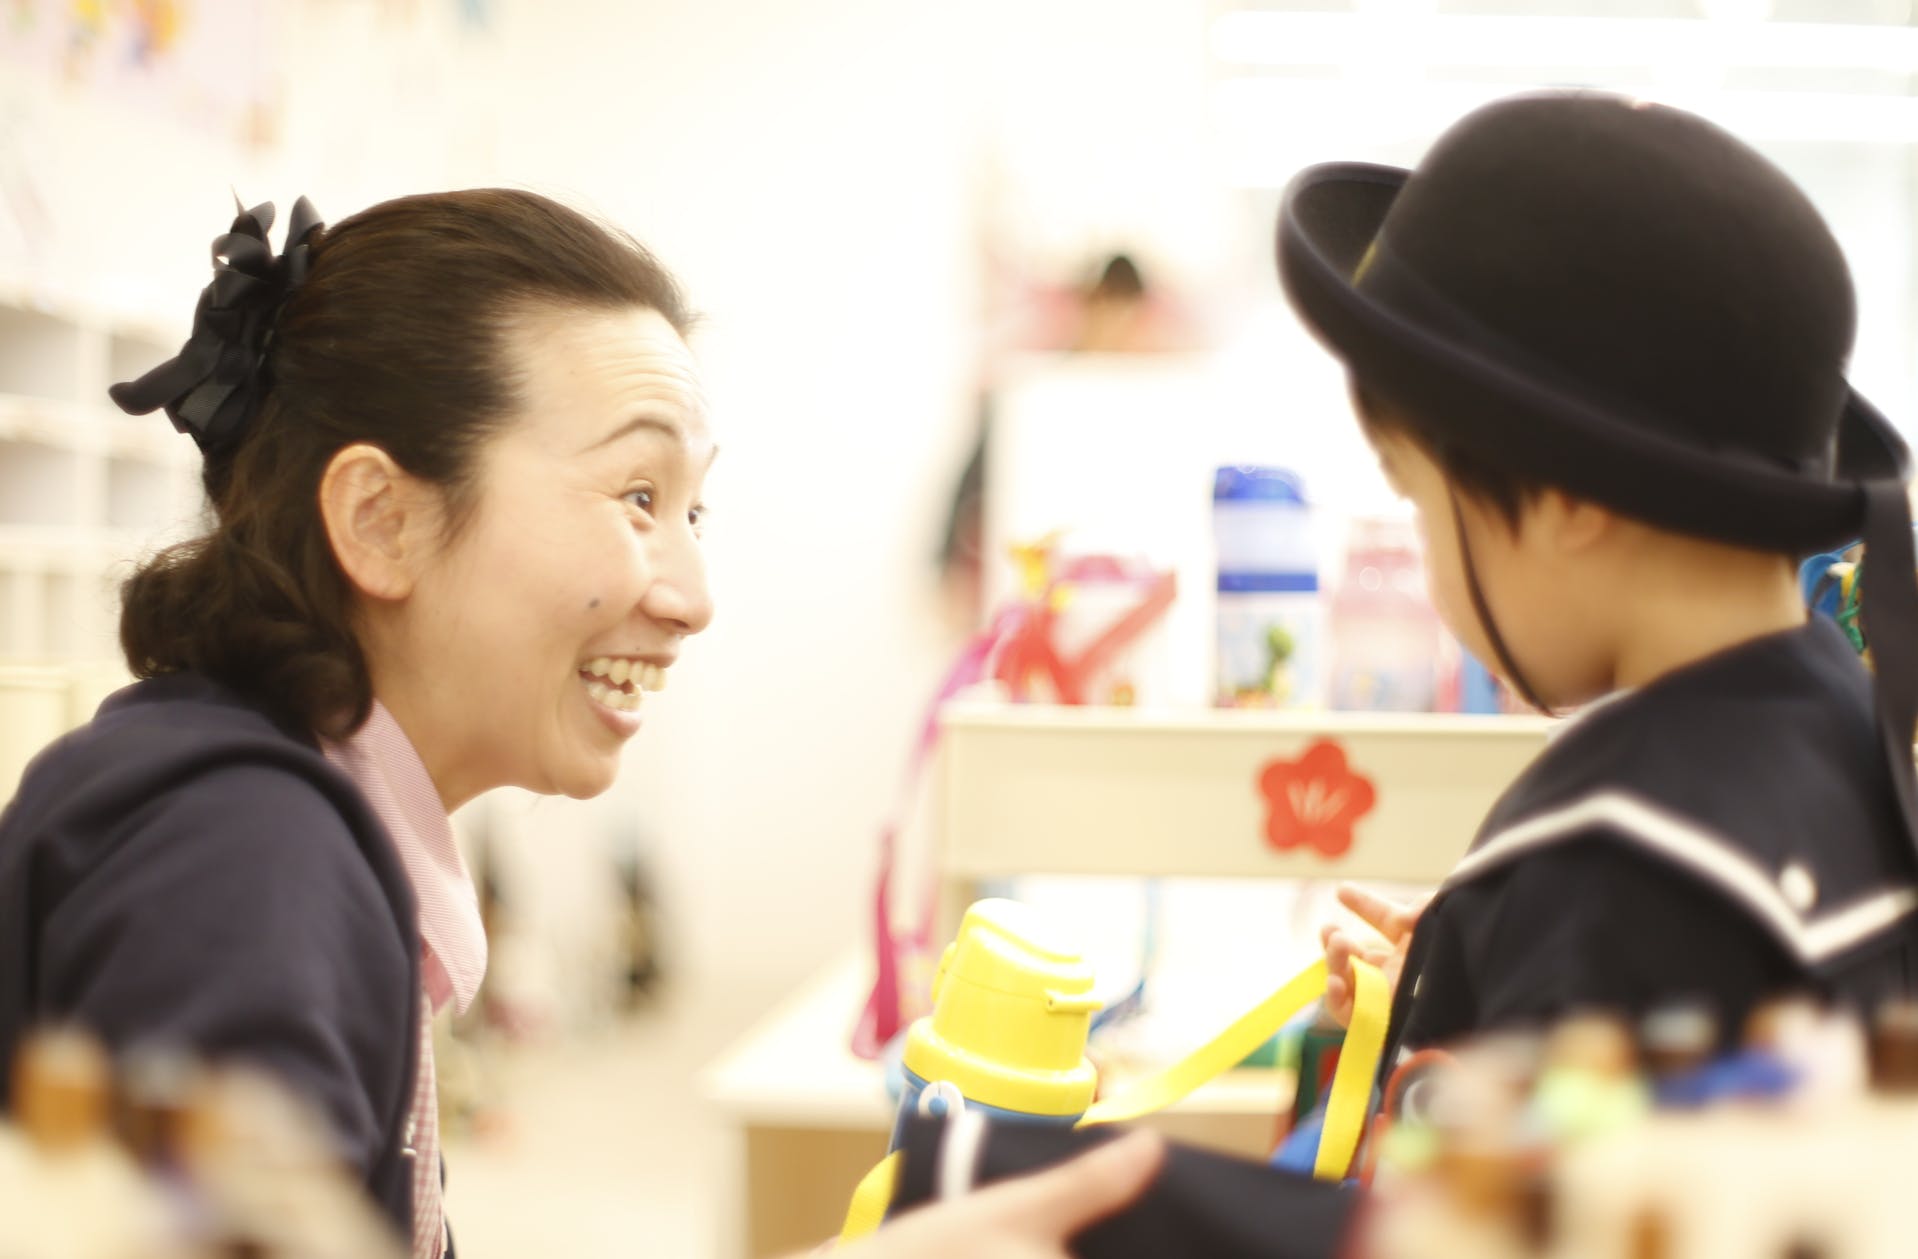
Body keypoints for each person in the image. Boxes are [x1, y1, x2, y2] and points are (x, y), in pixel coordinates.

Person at [0, 189, 1161, 1257]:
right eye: (637, 496)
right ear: (381, 519)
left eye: (691, 508)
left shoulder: (268, 822)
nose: (692, 595)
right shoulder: (243, 867)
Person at [888, 90, 1918, 1259]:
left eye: (1419, 503)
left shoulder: (1622, 866)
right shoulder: (1835, 729)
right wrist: (1470, 988)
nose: (1427, 568)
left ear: (1568, 498)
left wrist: (1004, 1204)